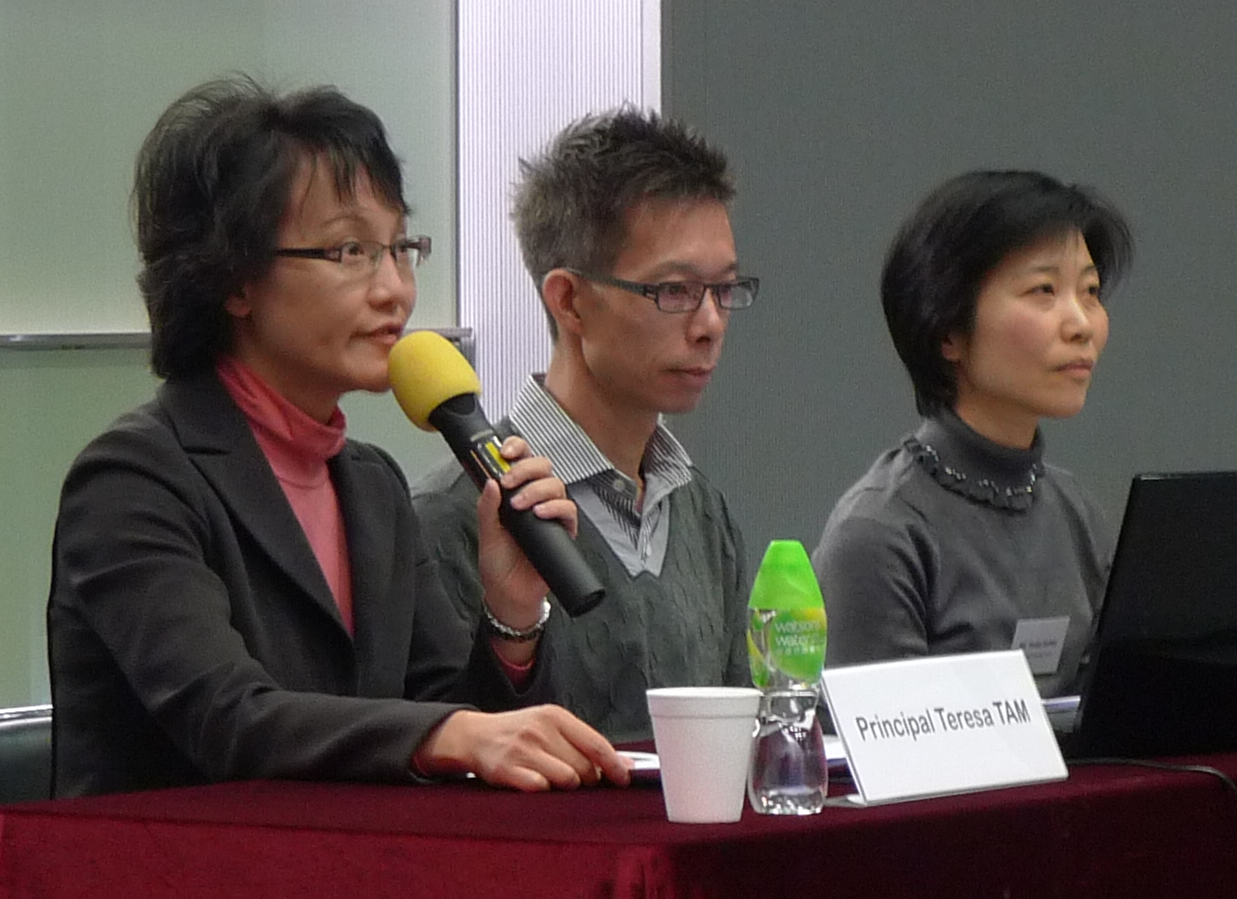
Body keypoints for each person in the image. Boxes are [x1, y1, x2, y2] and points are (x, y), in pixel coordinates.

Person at [46, 75, 626, 795]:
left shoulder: (370, 483)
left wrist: (509, 610)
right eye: (350, 251)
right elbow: (228, 720)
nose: (395, 290)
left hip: (345, 877)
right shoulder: (135, 480)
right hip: (171, 886)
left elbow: (453, 719)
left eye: (400, 248)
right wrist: (450, 734)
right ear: (235, 280)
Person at [414, 108, 756, 743]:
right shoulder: (452, 516)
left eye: (726, 289)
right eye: (674, 291)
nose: (710, 322)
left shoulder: (704, 513)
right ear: (569, 300)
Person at [815, 170, 1129, 699]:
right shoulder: (881, 531)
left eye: (1091, 291)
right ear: (948, 332)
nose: (1081, 323)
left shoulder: (1076, 513)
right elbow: (886, 758)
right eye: (1043, 290)